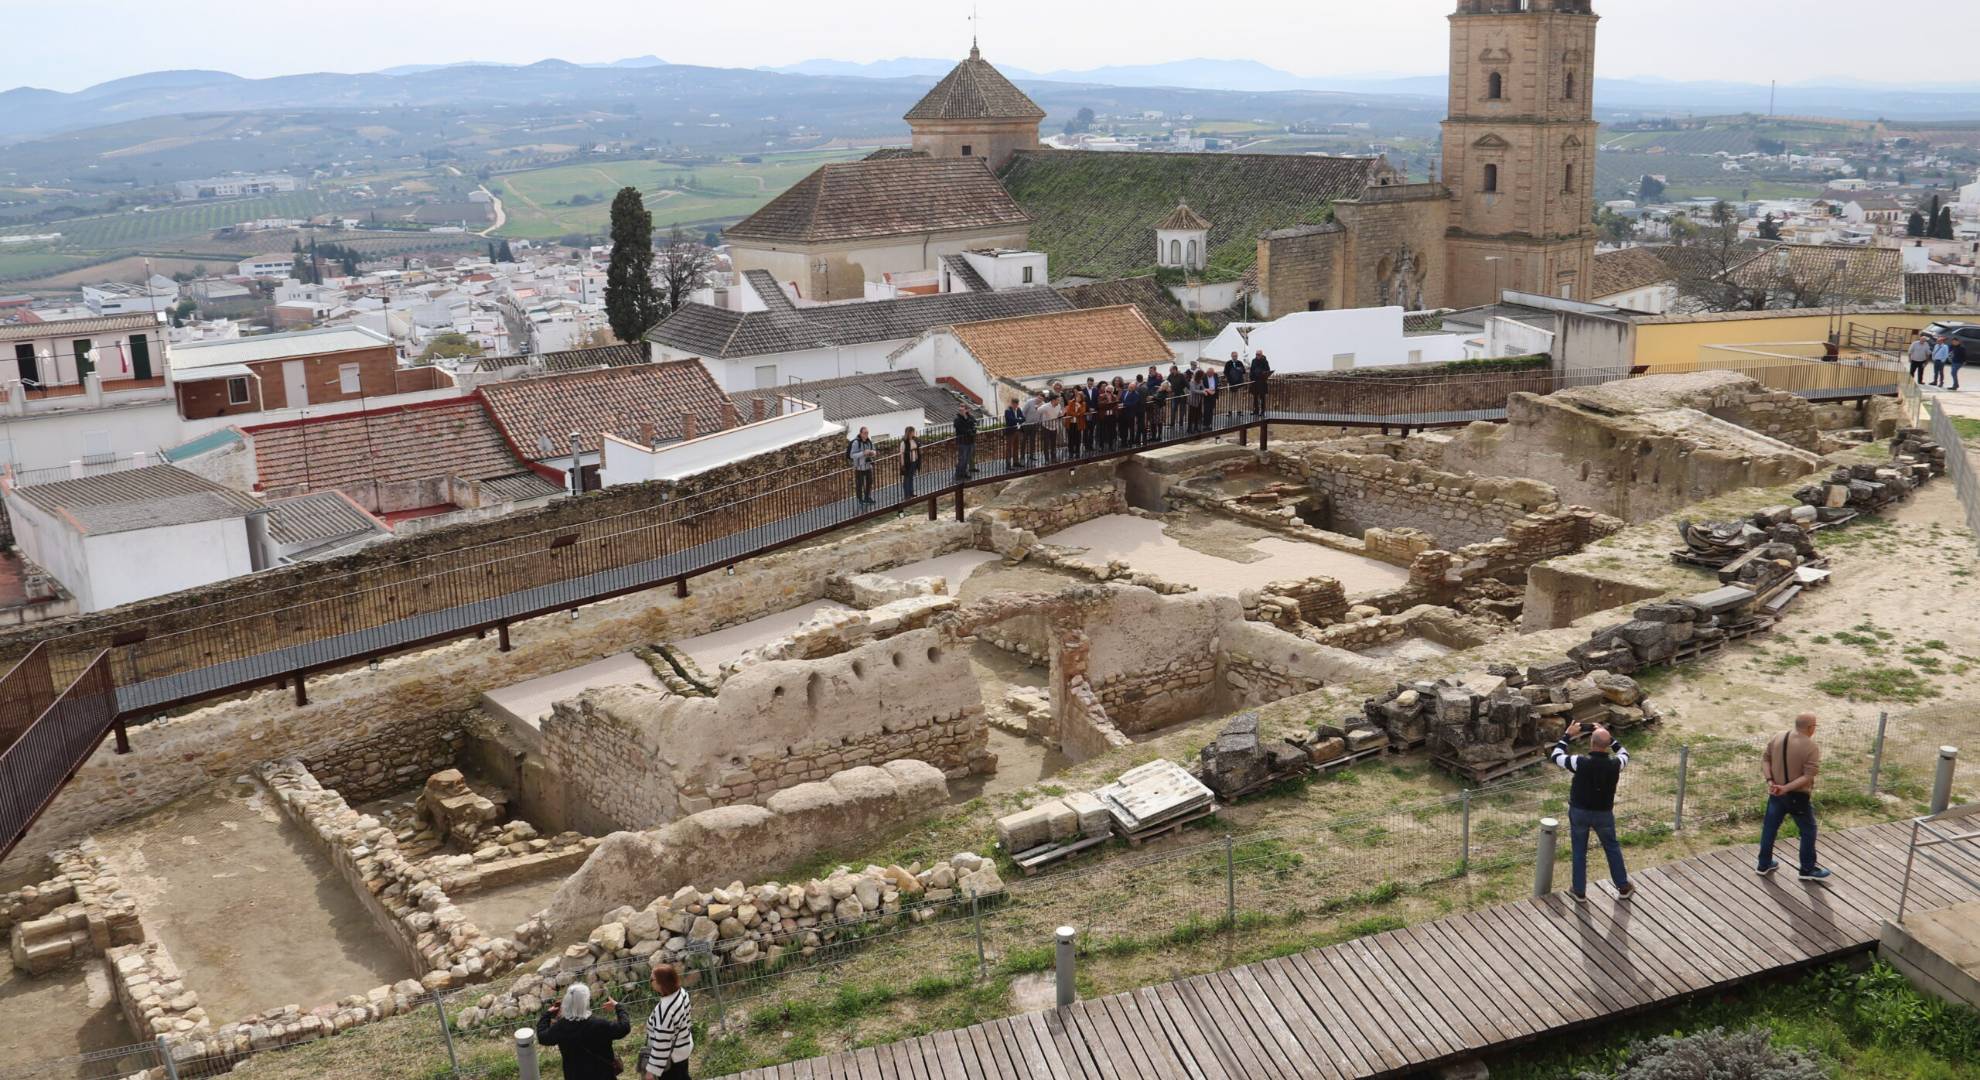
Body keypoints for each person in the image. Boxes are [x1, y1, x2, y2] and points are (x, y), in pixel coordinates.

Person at [1548, 720, 1635, 903]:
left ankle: (1579, 891)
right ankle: (1623, 886)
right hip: (1604, 813)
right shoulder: (1615, 764)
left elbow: (1555, 755)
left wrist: (1568, 735)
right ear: (1607, 744)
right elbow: (1624, 753)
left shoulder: (1579, 762)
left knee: (1579, 851)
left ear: (1591, 743)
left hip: (1579, 812)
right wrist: (1611, 738)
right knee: (1612, 848)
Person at [1757, 713, 1832, 881]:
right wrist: (1787, 788)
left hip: (1775, 792)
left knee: (1769, 828)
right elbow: (1808, 776)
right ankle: (1807, 868)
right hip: (1797, 796)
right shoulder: (1810, 746)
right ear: (1810, 728)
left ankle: (1764, 863)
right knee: (1808, 830)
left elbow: (1765, 759)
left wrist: (1771, 782)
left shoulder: (1778, 736)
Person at [538, 982, 631, 1080]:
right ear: (586, 1002)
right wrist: (618, 1007)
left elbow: (542, 1037)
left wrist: (547, 1015)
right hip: (603, 1075)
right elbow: (624, 1027)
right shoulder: (599, 1024)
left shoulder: (561, 1027)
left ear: (567, 1002)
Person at [640, 963, 693, 1080]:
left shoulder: (664, 1010)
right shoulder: (682, 993)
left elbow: (662, 1044)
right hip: (683, 1049)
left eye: (651, 979)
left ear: (661, 983)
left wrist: (651, 1071)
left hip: (672, 1059)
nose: (650, 982)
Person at [847, 427, 875, 505]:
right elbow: (852, 455)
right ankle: (860, 499)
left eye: (867, 433)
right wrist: (863, 453)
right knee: (859, 484)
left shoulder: (869, 442)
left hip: (868, 466)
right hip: (859, 467)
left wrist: (872, 453)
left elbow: (874, 450)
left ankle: (867, 497)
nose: (866, 434)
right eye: (865, 433)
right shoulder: (856, 443)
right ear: (860, 433)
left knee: (869, 482)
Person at [952, 403, 976, 480]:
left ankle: (964, 473)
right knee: (962, 459)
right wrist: (968, 430)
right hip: (962, 442)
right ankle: (958, 474)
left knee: (966, 458)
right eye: (961, 410)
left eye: (963, 409)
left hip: (970, 441)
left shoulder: (969, 417)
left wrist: (966, 418)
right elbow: (961, 428)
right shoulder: (957, 419)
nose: (962, 411)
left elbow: (972, 423)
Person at [1063, 388, 1087, 457]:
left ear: (1081, 398)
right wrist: (1077, 414)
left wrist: (1079, 408)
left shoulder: (1083, 404)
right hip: (1070, 423)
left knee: (1078, 438)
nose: (1077, 398)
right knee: (1070, 438)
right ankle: (1070, 452)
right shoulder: (1071, 402)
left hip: (1078, 423)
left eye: (1079, 397)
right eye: (1077, 396)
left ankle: (1077, 452)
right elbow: (1069, 412)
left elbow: (1082, 412)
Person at [1020, 391, 1043, 463]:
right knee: (1024, 441)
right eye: (1039, 397)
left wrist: (1039, 424)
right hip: (1026, 425)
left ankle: (1032, 455)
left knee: (1033, 441)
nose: (1040, 399)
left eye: (1041, 399)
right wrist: (1023, 423)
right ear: (1036, 396)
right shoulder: (1029, 402)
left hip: (1035, 425)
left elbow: (1041, 415)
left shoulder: (1043, 405)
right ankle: (1022, 457)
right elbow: (1023, 412)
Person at [1039, 393, 1062, 463]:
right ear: (1053, 400)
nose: (1059, 401)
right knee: (1046, 444)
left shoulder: (1059, 406)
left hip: (1054, 427)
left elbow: (1058, 414)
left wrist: (1062, 413)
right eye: (1058, 400)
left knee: (1053, 444)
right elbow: (1038, 410)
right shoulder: (1045, 406)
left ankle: (1053, 458)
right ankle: (1046, 459)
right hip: (1046, 427)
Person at [899, 426, 920, 500]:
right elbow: (902, 454)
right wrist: (902, 464)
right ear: (909, 433)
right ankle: (906, 495)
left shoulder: (914, 440)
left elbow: (918, 447)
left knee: (911, 478)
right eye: (913, 432)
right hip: (907, 463)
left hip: (914, 461)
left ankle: (911, 493)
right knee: (906, 479)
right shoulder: (903, 442)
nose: (914, 433)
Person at [1249, 351, 1272, 416]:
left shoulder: (1265, 361)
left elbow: (1268, 370)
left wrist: (1262, 373)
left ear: (1261, 355)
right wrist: (1251, 377)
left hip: (1262, 382)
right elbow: (1251, 370)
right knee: (1255, 397)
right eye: (1256, 354)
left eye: (1258, 354)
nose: (1257, 355)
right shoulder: (1253, 361)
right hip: (1255, 382)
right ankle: (1256, 410)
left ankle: (1262, 411)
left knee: (1262, 397)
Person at [1223, 352, 1247, 418]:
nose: (1235, 357)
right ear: (1231, 356)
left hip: (1239, 383)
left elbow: (1244, 372)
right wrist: (1230, 378)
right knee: (1230, 398)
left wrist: (1239, 370)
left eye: (1236, 356)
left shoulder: (1240, 363)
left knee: (1239, 398)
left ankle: (1239, 411)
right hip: (1231, 384)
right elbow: (1225, 372)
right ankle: (1229, 412)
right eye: (1233, 356)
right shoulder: (1228, 363)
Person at [1002, 397, 1023, 468]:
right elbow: (1011, 420)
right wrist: (1018, 419)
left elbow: (1023, 418)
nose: (1015, 406)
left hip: (1018, 430)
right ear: (1012, 404)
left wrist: (1018, 420)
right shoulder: (1007, 411)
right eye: (1014, 404)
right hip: (1010, 431)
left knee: (1016, 447)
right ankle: (1008, 464)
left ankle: (1015, 462)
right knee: (1009, 448)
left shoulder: (1019, 409)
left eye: (1017, 404)